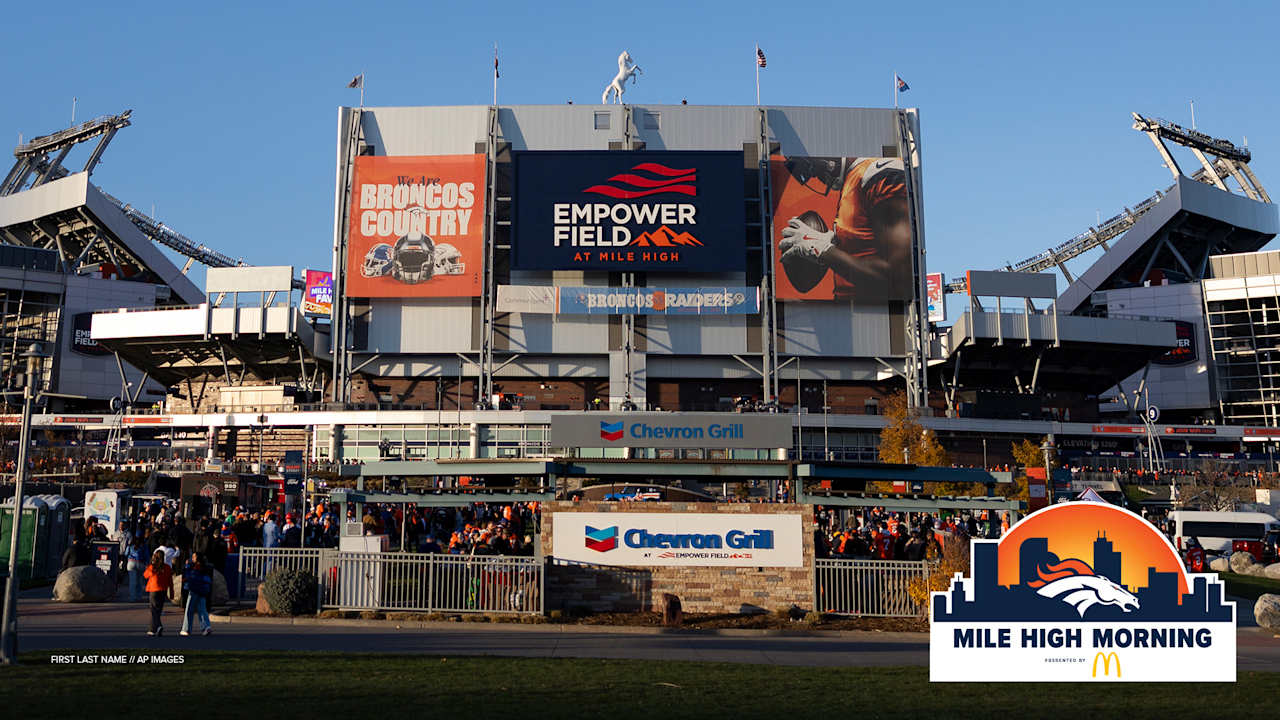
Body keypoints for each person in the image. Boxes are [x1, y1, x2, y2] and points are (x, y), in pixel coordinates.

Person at [777, 157, 911, 301]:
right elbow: (864, 250)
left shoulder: (876, 173)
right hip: (853, 308)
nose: (817, 177)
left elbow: (899, 276)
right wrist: (837, 245)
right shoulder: (852, 179)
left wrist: (823, 250)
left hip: (874, 311)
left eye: (814, 169)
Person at [180, 552, 213, 636]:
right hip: (202, 590)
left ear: (197, 558)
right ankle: (206, 626)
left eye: (194, 557)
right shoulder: (206, 567)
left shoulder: (195, 567)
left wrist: (187, 566)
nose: (192, 558)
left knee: (189, 609)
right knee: (202, 609)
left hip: (194, 589)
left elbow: (189, 576)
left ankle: (186, 629)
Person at [143, 549, 173, 636]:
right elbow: (170, 580)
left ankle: (156, 627)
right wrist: (171, 591)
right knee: (158, 610)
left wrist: (151, 564)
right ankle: (155, 628)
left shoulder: (153, 567)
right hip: (163, 589)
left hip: (154, 589)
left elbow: (145, 575)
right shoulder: (167, 567)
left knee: (154, 610)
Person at [125, 530, 148, 602]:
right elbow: (147, 556)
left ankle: (133, 597)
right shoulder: (144, 545)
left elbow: (126, 553)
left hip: (131, 562)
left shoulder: (131, 544)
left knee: (132, 582)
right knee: (140, 581)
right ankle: (139, 597)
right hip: (140, 563)